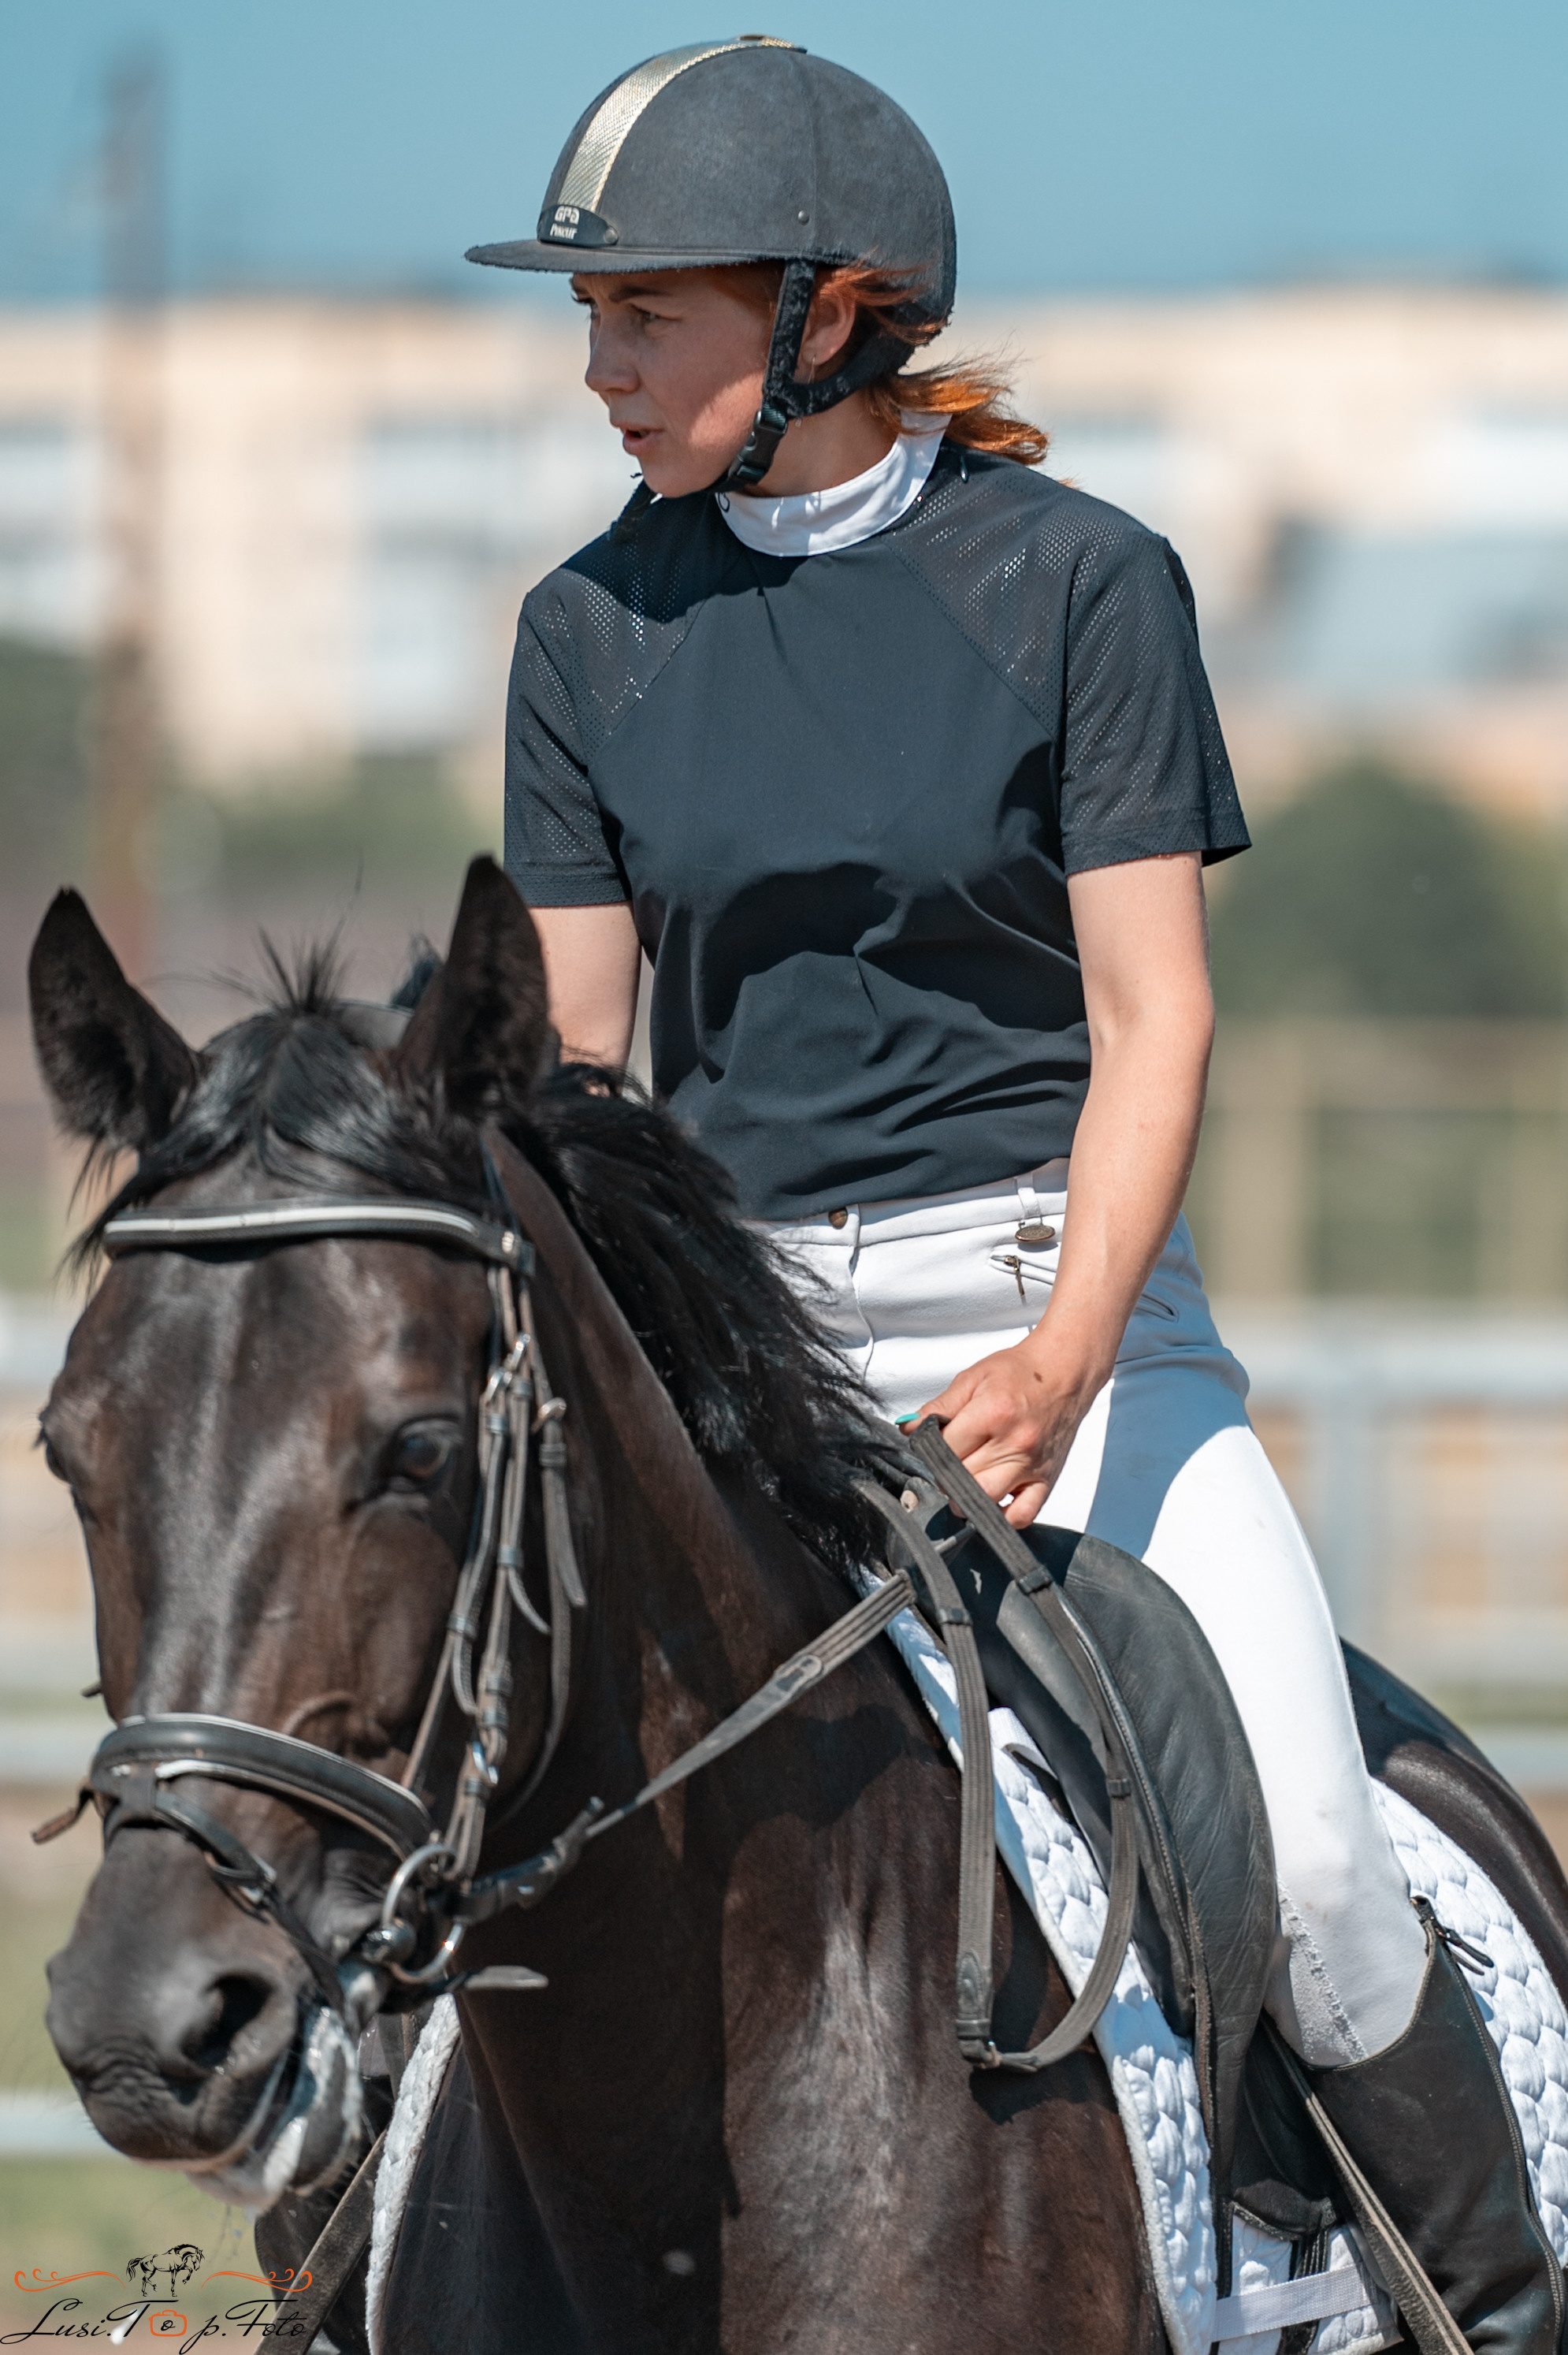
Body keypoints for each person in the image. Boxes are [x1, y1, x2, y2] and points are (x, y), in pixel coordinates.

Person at [469, 39, 1562, 2347]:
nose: (599, 369)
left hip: (1065, 1316)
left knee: (1334, 1870)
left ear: (825, 317)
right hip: (740, 1341)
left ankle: (1485, 2305)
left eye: (641, 315)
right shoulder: (585, 633)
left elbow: (1154, 1017)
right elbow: (581, 1070)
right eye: (590, 321)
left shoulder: (1078, 586)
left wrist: (1067, 1357)